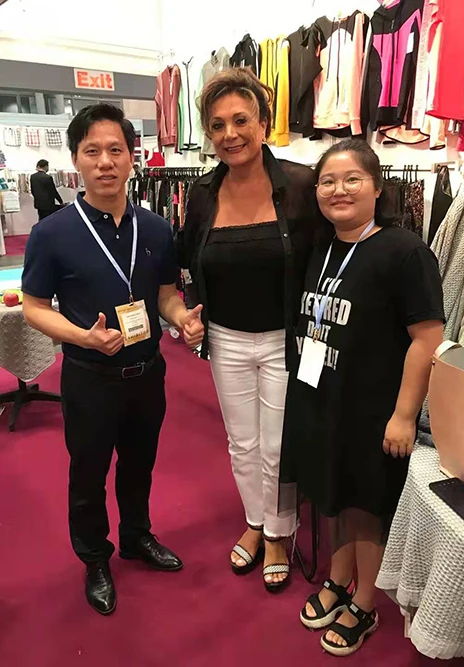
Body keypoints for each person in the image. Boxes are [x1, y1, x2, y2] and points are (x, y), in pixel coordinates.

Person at [22, 104, 204, 615]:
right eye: (93, 151)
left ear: (131, 157)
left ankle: (136, 536)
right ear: (76, 160)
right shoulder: (52, 233)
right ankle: (94, 558)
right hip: (90, 377)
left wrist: (182, 318)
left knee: (140, 464)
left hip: (147, 374)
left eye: (115, 150)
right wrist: (82, 336)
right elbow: (34, 308)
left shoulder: (157, 228)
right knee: (88, 473)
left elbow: (164, 296)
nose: (105, 162)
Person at [279, 139, 444, 655]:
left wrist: (404, 415)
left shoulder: (405, 252)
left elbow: (428, 338)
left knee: (365, 507)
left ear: (377, 187)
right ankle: (338, 578)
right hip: (322, 398)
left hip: (372, 409)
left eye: (352, 179)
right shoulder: (322, 248)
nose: (339, 190)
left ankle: (366, 602)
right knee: (333, 496)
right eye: (327, 181)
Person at [178, 67, 317, 591]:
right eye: (217, 125)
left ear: (262, 122)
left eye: (241, 120)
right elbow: (190, 260)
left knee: (278, 444)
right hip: (226, 339)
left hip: (286, 340)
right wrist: (189, 312)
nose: (230, 134)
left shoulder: (300, 185)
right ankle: (255, 521)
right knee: (242, 442)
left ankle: (280, 531)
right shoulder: (203, 193)